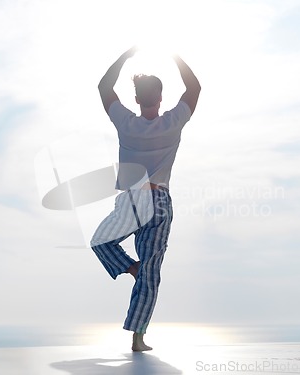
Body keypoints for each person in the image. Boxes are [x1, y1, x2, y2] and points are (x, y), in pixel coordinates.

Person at [90, 46, 201, 351]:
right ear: (161, 97)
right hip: (159, 201)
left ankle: (132, 268)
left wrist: (125, 58)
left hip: (131, 201)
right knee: (151, 272)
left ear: (137, 99)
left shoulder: (126, 123)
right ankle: (138, 338)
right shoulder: (174, 121)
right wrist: (176, 56)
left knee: (100, 241)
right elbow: (195, 88)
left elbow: (103, 87)